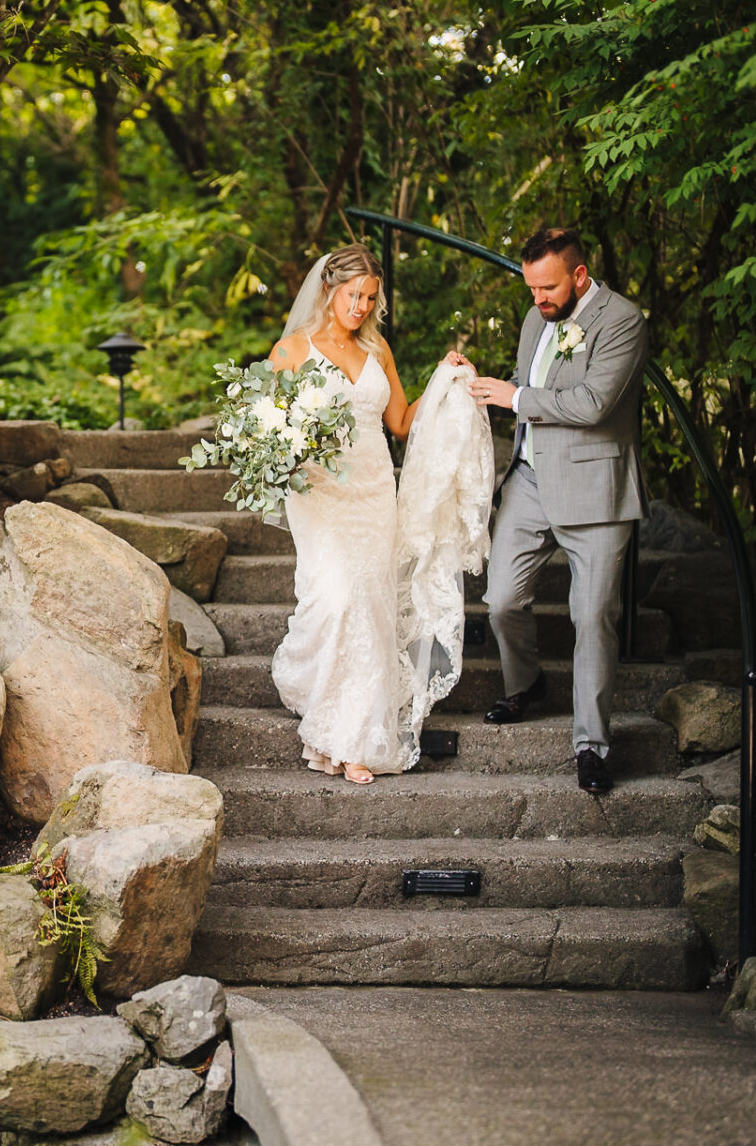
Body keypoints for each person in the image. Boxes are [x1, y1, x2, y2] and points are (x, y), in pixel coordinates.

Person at [266, 245, 488, 783]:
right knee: (338, 599)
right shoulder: (291, 350)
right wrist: (286, 455)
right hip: (319, 495)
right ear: (329, 290)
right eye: (353, 295)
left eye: (370, 297)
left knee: (369, 605)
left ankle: (353, 737)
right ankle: (334, 725)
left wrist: (442, 379)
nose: (362, 306)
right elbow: (270, 431)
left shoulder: (378, 350)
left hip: (372, 492)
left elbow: (401, 423)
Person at [468, 227, 649, 795]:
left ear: (578, 274)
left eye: (547, 287)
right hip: (528, 479)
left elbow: (594, 403)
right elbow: (526, 384)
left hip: (596, 487)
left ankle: (591, 744)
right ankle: (527, 682)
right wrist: (474, 384)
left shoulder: (622, 320)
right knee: (500, 601)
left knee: (593, 616)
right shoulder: (535, 319)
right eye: (531, 289)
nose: (539, 299)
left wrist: (516, 398)